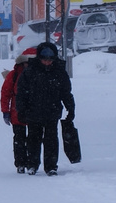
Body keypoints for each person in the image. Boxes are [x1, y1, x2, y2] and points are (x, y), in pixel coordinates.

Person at [14, 40, 74, 175]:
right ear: (39, 58)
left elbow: (66, 93)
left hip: (52, 113)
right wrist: (21, 110)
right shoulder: (30, 72)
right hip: (33, 113)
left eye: (50, 60)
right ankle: (33, 165)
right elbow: (21, 93)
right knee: (33, 140)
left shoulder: (59, 72)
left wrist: (70, 109)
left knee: (51, 140)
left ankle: (51, 166)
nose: (47, 62)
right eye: (44, 59)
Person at [1, 48, 36, 173]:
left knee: (31, 139)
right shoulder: (14, 75)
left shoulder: (34, 73)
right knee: (20, 139)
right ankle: (21, 163)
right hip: (18, 114)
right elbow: (6, 94)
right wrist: (5, 111)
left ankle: (31, 163)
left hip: (32, 113)